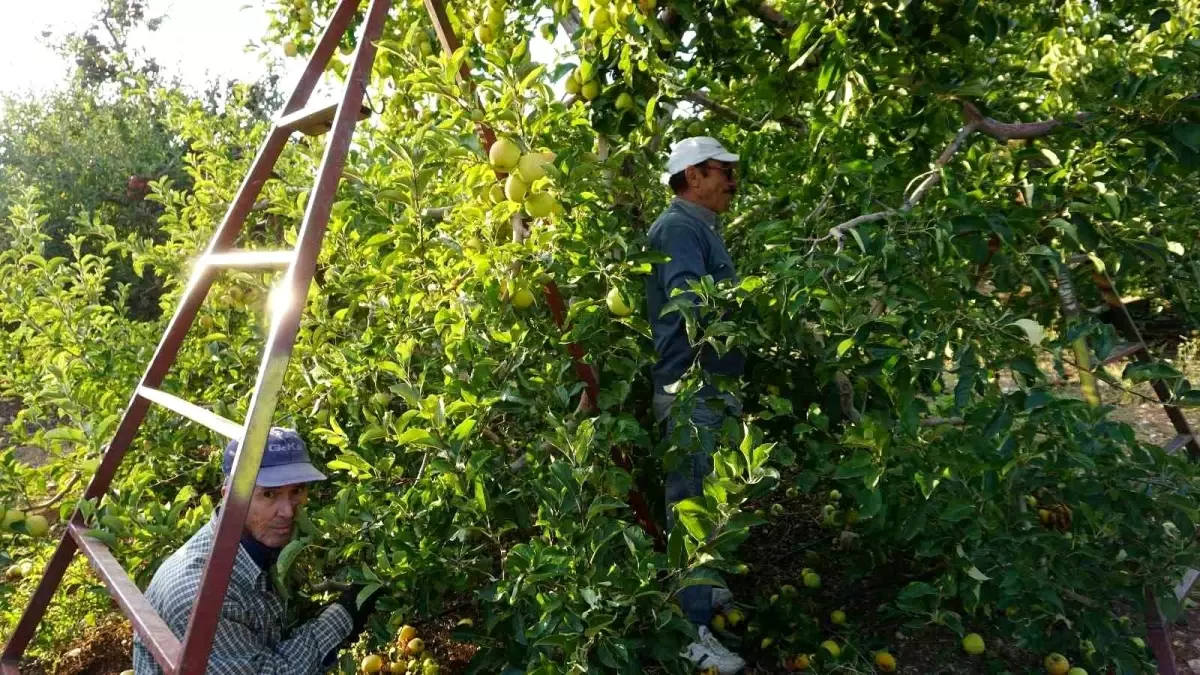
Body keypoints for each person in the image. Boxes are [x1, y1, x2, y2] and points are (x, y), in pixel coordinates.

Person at [133, 427, 379, 674]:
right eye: (269, 494)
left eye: (297, 491)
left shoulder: (261, 547)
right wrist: (345, 613)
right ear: (230, 497)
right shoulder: (204, 597)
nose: (288, 511)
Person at [646, 136, 746, 674]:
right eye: (722, 171)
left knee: (708, 494)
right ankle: (689, 630)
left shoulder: (698, 228)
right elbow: (689, 300)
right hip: (691, 388)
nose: (731, 182)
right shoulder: (679, 229)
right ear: (693, 176)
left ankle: (700, 594)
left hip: (709, 386)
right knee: (691, 504)